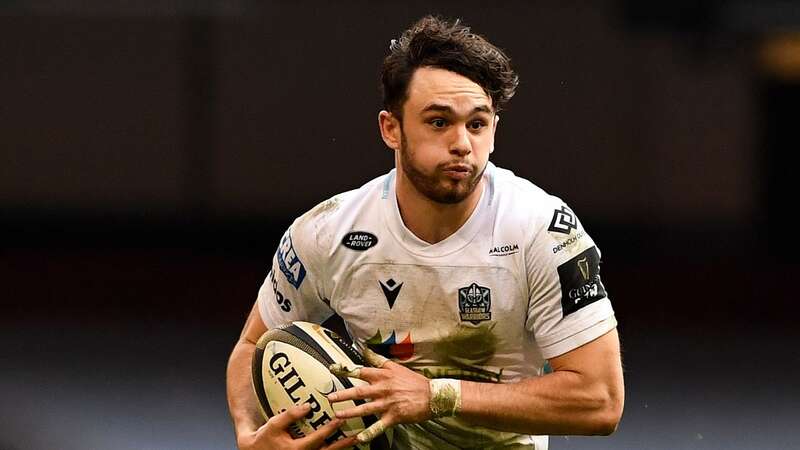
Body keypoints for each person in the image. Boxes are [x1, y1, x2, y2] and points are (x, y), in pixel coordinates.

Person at [226, 15, 624, 450]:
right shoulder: (327, 232)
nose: (461, 143)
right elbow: (253, 346)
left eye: (477, 124)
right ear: (391, 129)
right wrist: (250, 435)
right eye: (438, 122)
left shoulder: (542, 230)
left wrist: (437, 396)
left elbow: (600, 401)